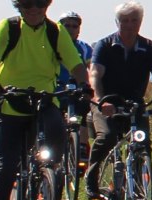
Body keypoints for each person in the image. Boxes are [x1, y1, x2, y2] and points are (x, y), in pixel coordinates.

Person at [0, 0, 90, 200]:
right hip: (8, 101)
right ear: (19, 7)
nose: (34, 9)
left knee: (56, 137)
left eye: (39, 4)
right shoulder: (9, 27)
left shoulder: (55, 31)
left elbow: (75, 63)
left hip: (43, 100)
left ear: (46, 6)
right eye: (28, 5)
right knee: (6, 166)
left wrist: (84, 85)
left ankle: (46, 183)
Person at [84, 1, 152, 200]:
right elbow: (95, 74)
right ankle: (92, 177)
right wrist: (100, 100)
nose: (129, 25)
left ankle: (139, 189)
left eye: (134, 20)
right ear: (117, 22)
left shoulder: (149, 47)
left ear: (140, 22)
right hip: (105, 101)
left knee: (142, 142)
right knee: (107, 136)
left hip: (134, 103)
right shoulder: (104, 45)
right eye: (124, 21)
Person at [57, 11, 93, 168]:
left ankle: (82, 147)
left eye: (74, 26)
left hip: (77, 90)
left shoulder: (85, 48)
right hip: (57, 89)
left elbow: (92, 70)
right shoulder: (53, 45)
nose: (71, 29)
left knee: (85, 110)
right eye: (67, 26)